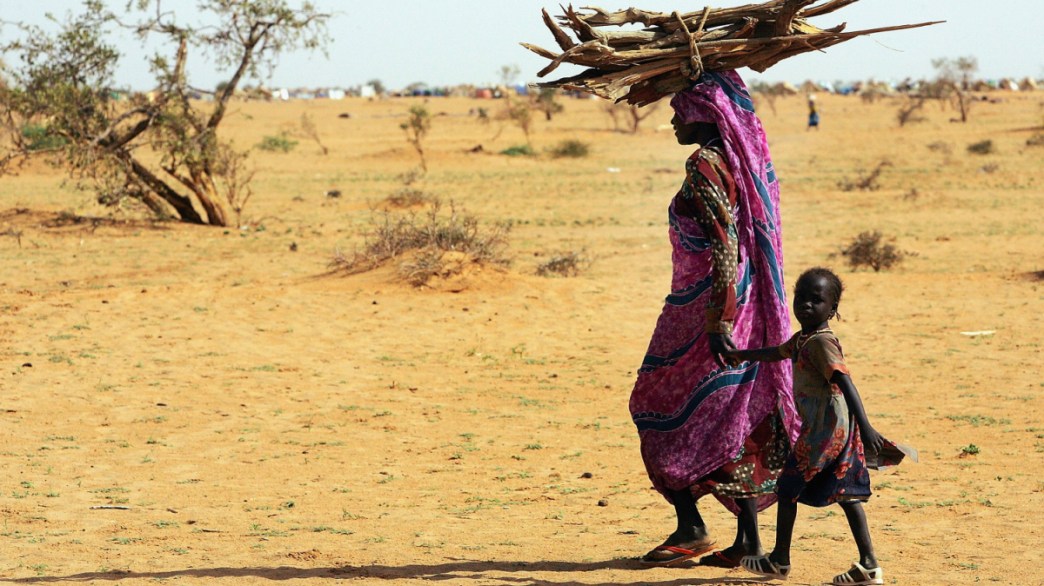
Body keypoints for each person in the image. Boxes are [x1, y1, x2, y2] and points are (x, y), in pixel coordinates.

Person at [630, 70, 799, 568]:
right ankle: (746, 539)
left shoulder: (705, 164)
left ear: (703, 113)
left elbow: (725, 240)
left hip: (707, 307)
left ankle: (691, 526)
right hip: (743, 300)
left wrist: (718, 318)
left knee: (654, 405)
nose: (673, 118)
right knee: (730, 411)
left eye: (680, 108)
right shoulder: (742, 162)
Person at [727, 267, 911, 585]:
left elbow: (844, 381)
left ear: (833, 309)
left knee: (787, 489)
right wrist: (741, 354)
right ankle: (869, 565)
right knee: (848, 494)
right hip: (840, 430)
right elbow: (777, 352)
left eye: (817, 300)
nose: (806, 305)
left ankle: (780, 560)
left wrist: (866, 426)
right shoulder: (803, 339)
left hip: (825, 432)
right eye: (801, 298)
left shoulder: (821, 342)